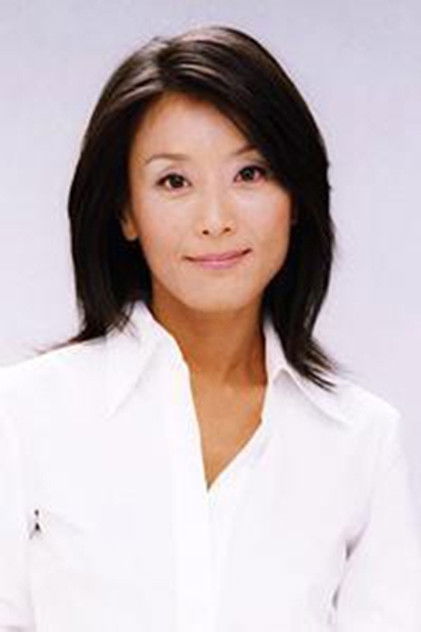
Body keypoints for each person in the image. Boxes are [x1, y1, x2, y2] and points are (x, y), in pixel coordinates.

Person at [0, 24, 420, 632]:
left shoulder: (361, 440)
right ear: (126, 211)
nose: (216, 219)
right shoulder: (23, 416)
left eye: (250, 173)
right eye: (174, 181)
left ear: (295, 198)